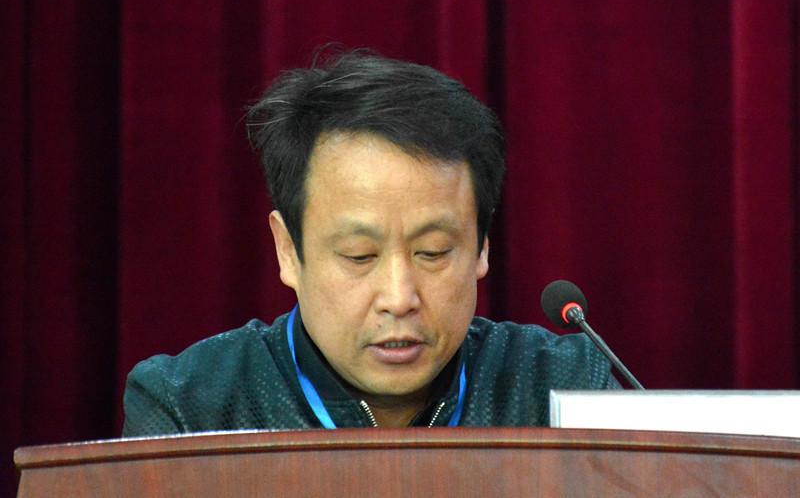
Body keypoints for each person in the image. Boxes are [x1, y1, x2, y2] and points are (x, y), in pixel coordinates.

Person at [122, 50, 619, 436]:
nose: (399, 299)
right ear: (288, 250)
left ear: (482, 246)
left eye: (432, 252)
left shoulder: (561, 387)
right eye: (359, 256)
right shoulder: (192, 406)